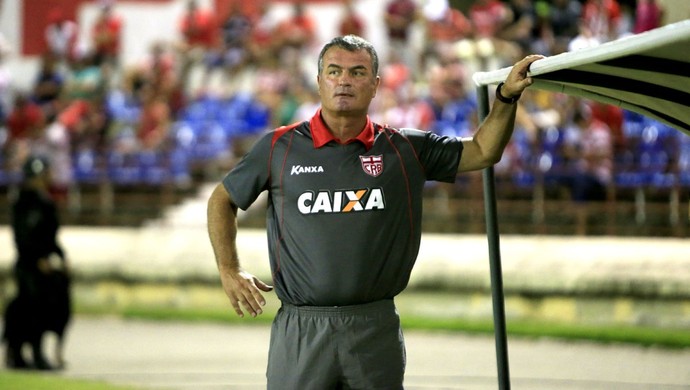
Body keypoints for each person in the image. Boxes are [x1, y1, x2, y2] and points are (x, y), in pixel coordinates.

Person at [207, 35, 542, 389]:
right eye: (333, 71)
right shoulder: (278, 147)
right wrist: (229, 269)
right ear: (319, 81)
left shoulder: (404, 148)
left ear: (375, 85)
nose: (344, 80)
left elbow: (482, 151)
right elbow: (221, 199)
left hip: (374, 327)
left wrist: (506, 97)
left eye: (357, 72)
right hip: (301, 329)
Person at [3, 156, 70, 370]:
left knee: (46, 309)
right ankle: (20, 352)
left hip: (44, 267)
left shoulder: (45, 203)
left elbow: (51, 237)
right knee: (29, 309)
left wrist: (61, 256)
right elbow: (22, 237)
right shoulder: (22, 203)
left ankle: (37, 352)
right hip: (28, 266)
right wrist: (38, 258)